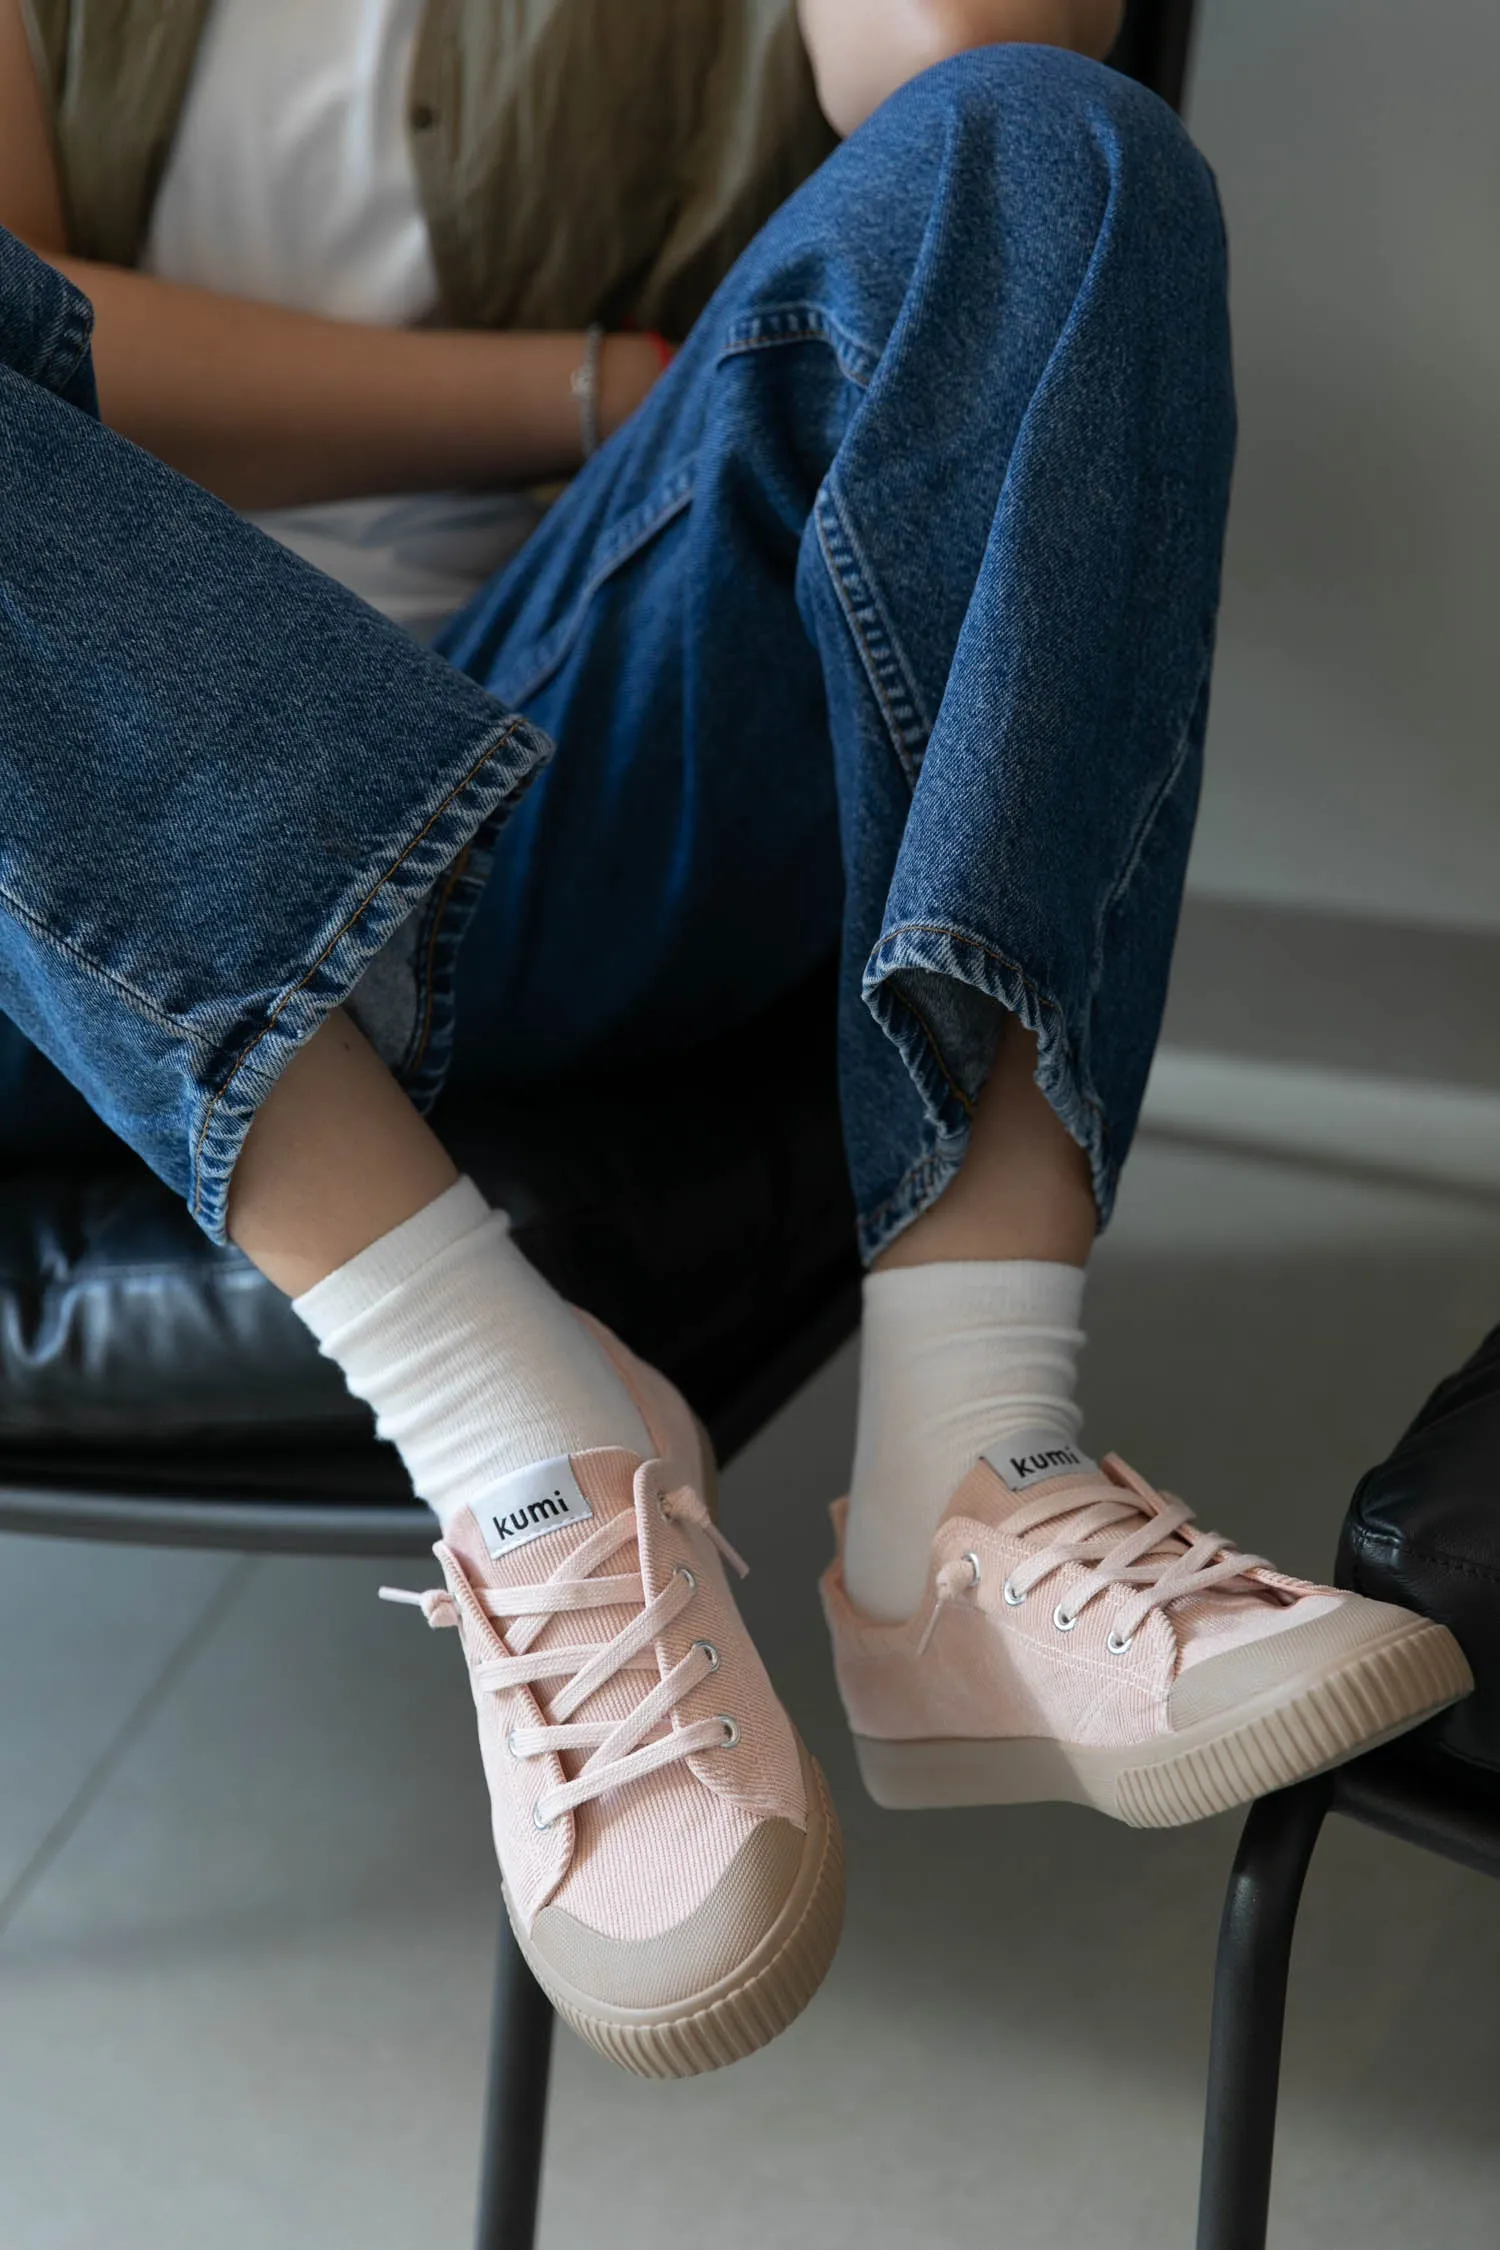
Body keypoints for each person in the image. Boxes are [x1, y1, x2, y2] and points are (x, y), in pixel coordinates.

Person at [0, 0, 1472, 2079]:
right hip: (43, 895)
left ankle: (974, 1474)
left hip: (554, 780)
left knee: (1055, 143)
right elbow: (44, 354)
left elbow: (975, 63)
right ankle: (511, 1433)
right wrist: (600, 385)